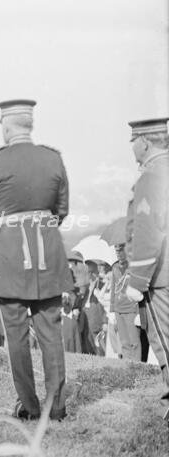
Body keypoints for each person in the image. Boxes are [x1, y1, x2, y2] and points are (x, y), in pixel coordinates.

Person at [0, 99, 73, 421]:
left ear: (6, 126)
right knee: (51, 334)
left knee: (16, 338)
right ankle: (56, 407)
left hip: (12, 258)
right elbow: (61, 211)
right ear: (29, 124)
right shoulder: (53, 158)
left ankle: (29, 406)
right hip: (48, 255)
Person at [124, 117, 169, 399]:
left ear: (144, 142)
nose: (131, 146)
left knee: (164, 341)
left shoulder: (152, 178)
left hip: (160, 276)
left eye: (133, 141)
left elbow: (148, 234)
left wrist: (137, 281)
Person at [111, 244, 141, 361]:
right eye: (116, 251)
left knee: (134, 342)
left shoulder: (133, 267)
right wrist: (112, 311)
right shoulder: (114, 268)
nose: (118, 253)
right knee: (124, 342)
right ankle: (128, 367)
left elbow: (139, 289)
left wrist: (138, 312)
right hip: (119, 310)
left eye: (120, 251)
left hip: (131, 309)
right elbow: (114, 290)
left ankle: (137, 367)